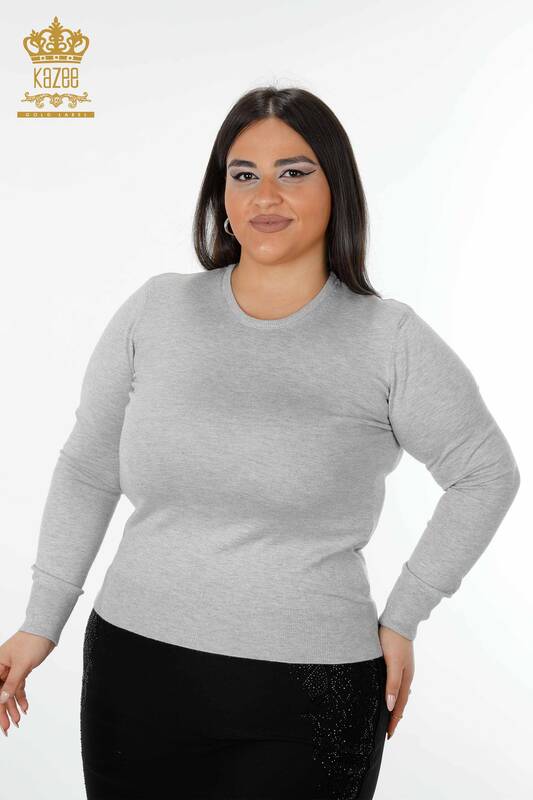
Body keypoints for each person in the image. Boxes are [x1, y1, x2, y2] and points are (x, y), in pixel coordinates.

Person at [0, 86, 520, 799]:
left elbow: (486, 474)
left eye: (293, 172)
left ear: (337, 188)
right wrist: (41, 622)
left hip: (311, 693)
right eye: (243, 174)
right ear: (221, 194)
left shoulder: (388, 340)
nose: (265, 195)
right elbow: (89, 468)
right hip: (135, 671)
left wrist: (404, 615)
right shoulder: (157, 311)